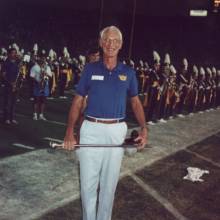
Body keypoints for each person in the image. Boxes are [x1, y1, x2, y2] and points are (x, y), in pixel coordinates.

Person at [63, 26, 148, 220]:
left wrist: (144, 128)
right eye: (107, 40)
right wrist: (69, 131)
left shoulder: (128, 72)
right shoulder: (90, 69)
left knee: (109, 187)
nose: (111, 44)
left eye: (115, 41)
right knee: (87, 185)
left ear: (121, 45)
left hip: (116, 130)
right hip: (90, 129)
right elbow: (77, 101)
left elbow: (135, 102)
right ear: (101, 43)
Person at [30, 54, 52, 120]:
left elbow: (50, 76)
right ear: (39, 59)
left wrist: (45, 72)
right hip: (37, 85)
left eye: (44, 59)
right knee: (36, 100)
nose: (43, 60)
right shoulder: (35, 67)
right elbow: (31, 76)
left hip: (45, 85)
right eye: (42, 59)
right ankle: (35, 114)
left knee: (43, 100)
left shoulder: (47, 67)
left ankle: (41, 115)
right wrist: (37, 81)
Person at [1, 48, 20, 124]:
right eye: (12, 53)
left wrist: (17, 83)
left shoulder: (16, 63)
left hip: (15, 85)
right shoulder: (6, 63)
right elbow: (2, 75)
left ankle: (12, 118)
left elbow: (18, 75)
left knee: (13, 102)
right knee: (7, 102)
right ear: (9, 54)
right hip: (8, 85)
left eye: (15, 53)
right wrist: (10, 83)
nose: (14, 54)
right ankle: (6, 118)